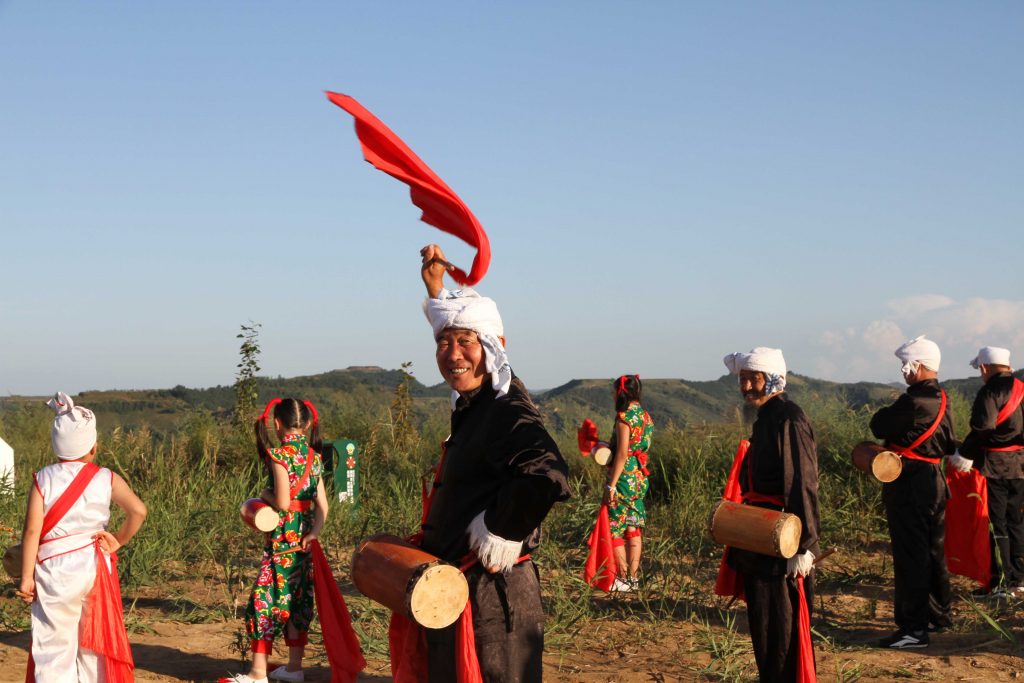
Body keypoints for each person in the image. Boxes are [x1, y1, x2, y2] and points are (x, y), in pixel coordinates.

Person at [416, 243, 571, 682]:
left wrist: (502, 526)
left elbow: (547, 472)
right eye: (444, 343)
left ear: (492, 346)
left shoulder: (506, 407)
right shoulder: (474, 402)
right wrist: (435, 288)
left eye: (465, 341)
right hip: (462, 589)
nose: (453, 353)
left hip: (495, 594)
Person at [19, 392, 147, 682]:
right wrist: (119, 540)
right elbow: (138, 511)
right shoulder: (106, 477)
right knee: (93, 641)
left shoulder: (43, 478)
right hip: (94, 566)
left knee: (54, 644)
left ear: (56, 447)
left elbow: (31, 532)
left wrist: (27, 577)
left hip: (55, 570)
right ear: (93, 447)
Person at [722, 348, 819, 683]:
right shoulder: (766, 418)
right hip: (760, 536)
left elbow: (802, 482)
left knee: (782, 626)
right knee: (765, 625)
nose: (746, 385)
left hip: (784, 539)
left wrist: (803, 546)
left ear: (774, 379)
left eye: (754, 378)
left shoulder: (789, 418)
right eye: (743, 378)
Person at [227, 398, 330, 683]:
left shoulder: (279, 456)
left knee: (265, 599)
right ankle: (294, 669)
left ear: (276, 424)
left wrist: (264, 494)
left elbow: (283, 502)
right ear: (308, 424)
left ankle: (258, 673)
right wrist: (313, 533)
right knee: (297, 600)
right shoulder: (314, 456)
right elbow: (324, 506)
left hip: (282, 539)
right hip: (305, 539)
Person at [869, 335, 955, 648]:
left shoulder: (913, 401)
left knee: (911, 556)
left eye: (905, 365)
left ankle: (913, 629)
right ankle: (940, 615)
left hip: (910, 484)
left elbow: (879, 425)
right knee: (934, 551)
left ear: (916, 366)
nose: (903, 372)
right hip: (935, 481)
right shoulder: (944, 399)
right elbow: (948, 443)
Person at [953, 346, 1024, 596]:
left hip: (994, 466)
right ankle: (1019, 579)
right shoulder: (1022, 388)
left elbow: (983, 429)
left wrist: (964, 454)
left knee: (997, 523)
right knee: (1016, 521)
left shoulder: (990, 391)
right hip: (1020, 465)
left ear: (984, 367)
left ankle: (1002, 582)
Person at [602, 374, 653, 592]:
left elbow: (622, 453)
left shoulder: (624, 417)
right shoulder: (645, 416)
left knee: (615, 528)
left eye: (614, 391)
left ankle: (623, 578)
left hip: (624, 478)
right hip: (640, 477)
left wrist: (611, 485)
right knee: (633, 525)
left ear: (621, 392)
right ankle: (633, 578)